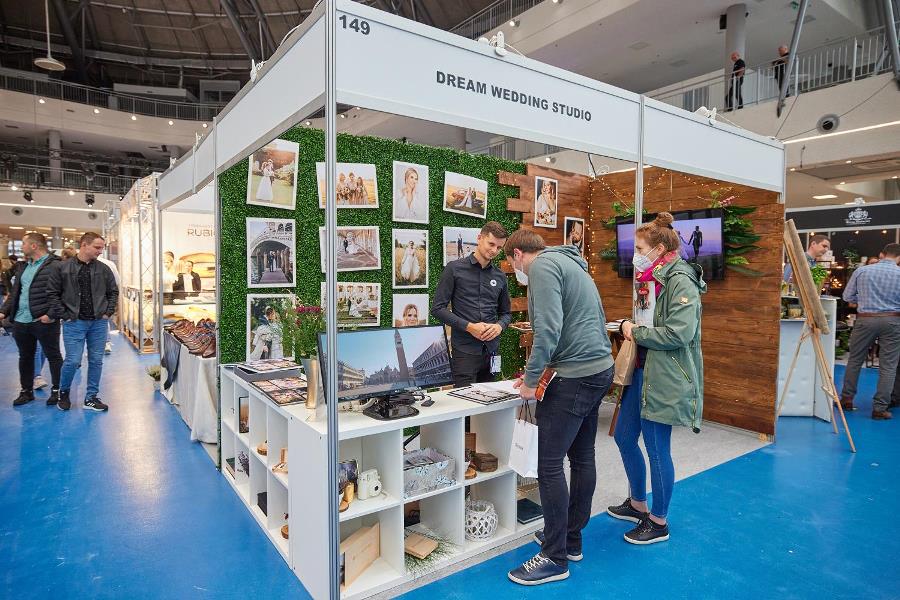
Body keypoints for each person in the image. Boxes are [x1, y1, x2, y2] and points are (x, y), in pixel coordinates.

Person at [504, 229, 614, 586]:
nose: (516, 272)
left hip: (574, 376)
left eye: (512, 264)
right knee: (582, 457)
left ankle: (554, 556)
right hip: (599, 368)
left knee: (548, 465)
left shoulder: (541, 267)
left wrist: (530, 381)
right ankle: (571, 538)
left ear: (517, 255)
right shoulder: (570, 262)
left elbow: (548, 329)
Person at [611, 212, 707, 547]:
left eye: (640, 248)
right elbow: (650, 318)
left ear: (660, 248)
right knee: (624, 437)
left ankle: (659, 521)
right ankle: (638, 504)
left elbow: (679, 333)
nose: (635, 254)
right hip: (641, 369)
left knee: (656, 447)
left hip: (664, 374)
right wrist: (631, 325)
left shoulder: (681, 280)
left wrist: (634, 331)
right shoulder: (650, 277)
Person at [432, 221, 511, 387]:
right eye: (491, 244)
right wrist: (469, 327)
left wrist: (499, 327)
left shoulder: (500, 276)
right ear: (479, 238)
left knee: (488, 401)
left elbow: (506, 314)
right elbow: (438, 309)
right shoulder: (454, 269)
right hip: (464, 352)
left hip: (492, 351)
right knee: (463, 400)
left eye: (499, 247)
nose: (494, 250)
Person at [47, 232, 119, 412]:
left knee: (96, 361)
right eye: (97, 247)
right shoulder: (62, 268)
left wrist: (108, 312)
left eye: (102, 248)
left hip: (98, 323)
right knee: (72, 360)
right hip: (74, 322)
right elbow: (52, 293)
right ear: (84, 245)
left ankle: (91, 397)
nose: (100, 251)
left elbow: (113, 292)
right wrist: (64, 314)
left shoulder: (104, 269)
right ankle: (63, 393)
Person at [0, 233, 64, 407]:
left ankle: (58, 391)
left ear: (34, 246)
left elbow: (64, 293)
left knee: (53, 356)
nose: (21, 247)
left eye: (24, 243)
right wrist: (3, 312)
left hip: (44, 321)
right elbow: (16, 293)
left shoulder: (56, 265)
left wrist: (51, 315)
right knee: (25, 357)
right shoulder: (23, 266)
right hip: (21, 320)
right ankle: (26, 391)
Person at [839, 243, 900, 420]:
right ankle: (879, 408)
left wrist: (865, 299)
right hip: (892, 320)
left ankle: (847, 399)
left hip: (865, 319)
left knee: (855, 360)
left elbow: (847, 296)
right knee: (888, 366)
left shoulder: (862, 271)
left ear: (882, 254)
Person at [97, 252, 121, 355]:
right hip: (104, 300)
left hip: (101, 301)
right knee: (103, 321)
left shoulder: (107, 264)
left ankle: (102, 344)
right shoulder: (109, 263)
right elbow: (117, 281)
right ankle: (106, 343)